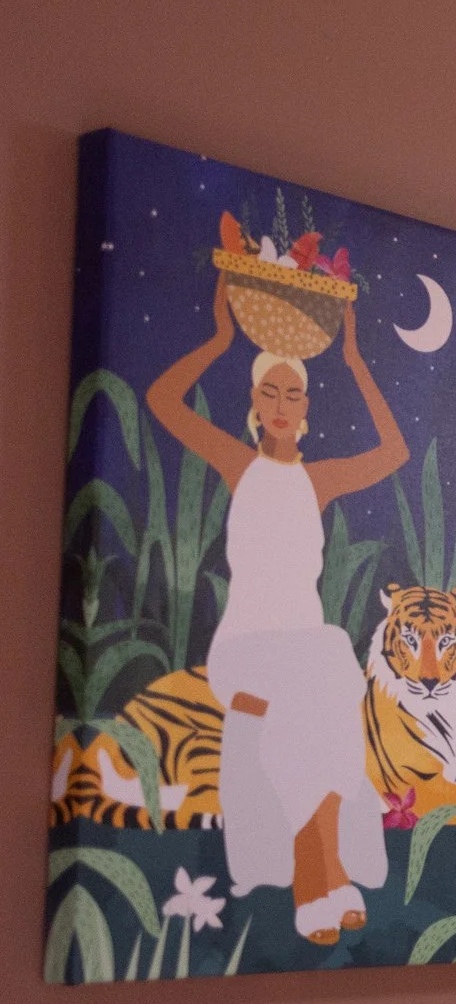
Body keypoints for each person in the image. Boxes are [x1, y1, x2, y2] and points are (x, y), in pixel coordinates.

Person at [147, 280, 408, 943]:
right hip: (246, 649)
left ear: (306, 406)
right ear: (255, 402)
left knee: (324, 670)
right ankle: (320, 872)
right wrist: (219, 339)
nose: (283, 405)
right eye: (271, 392)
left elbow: (394, 452)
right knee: (322, 666)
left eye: (294, 394)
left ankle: (319, 871)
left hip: (307, 652)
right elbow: (162, 401)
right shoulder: (240, 466)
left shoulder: (316, 480)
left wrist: (355, 360)